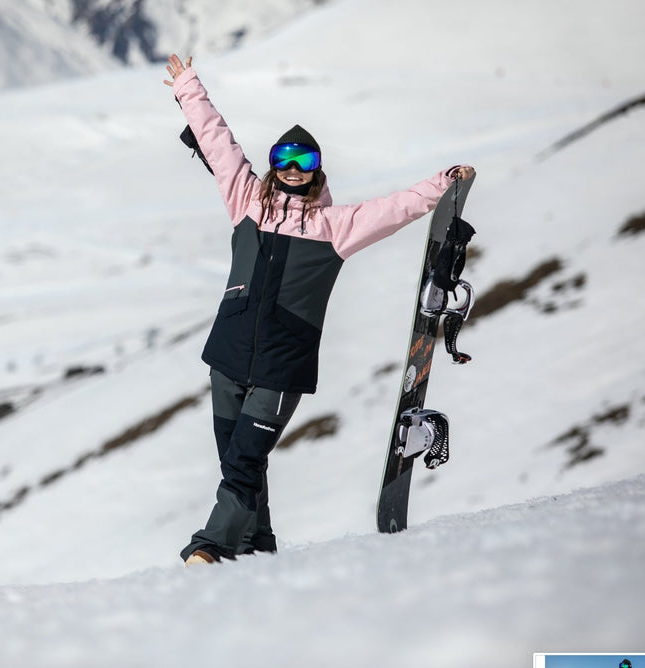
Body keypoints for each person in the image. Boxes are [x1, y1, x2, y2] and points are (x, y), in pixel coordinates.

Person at [163, 53, 475, 566]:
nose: (292, 169)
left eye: (303, 161)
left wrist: (443, 183)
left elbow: (394, 209)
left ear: (316, 170)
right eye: (283, 159)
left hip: (281, 367)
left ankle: (210, 548)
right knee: (239, 461)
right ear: (272, 164)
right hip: (227, 357)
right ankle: (256, 547)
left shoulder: (335, 226)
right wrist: (188, 87)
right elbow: (219, 144)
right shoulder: (246, 201)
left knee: (243, 462)